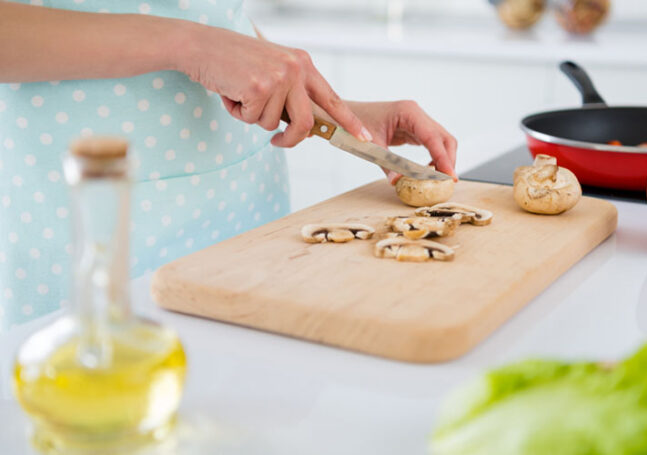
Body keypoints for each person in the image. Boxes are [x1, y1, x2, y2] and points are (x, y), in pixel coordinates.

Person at [0, 0, 458, 330]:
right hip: (90, 226)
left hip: (245, 209)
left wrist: (336, 116)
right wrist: (189, 45)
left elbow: (210, 14)